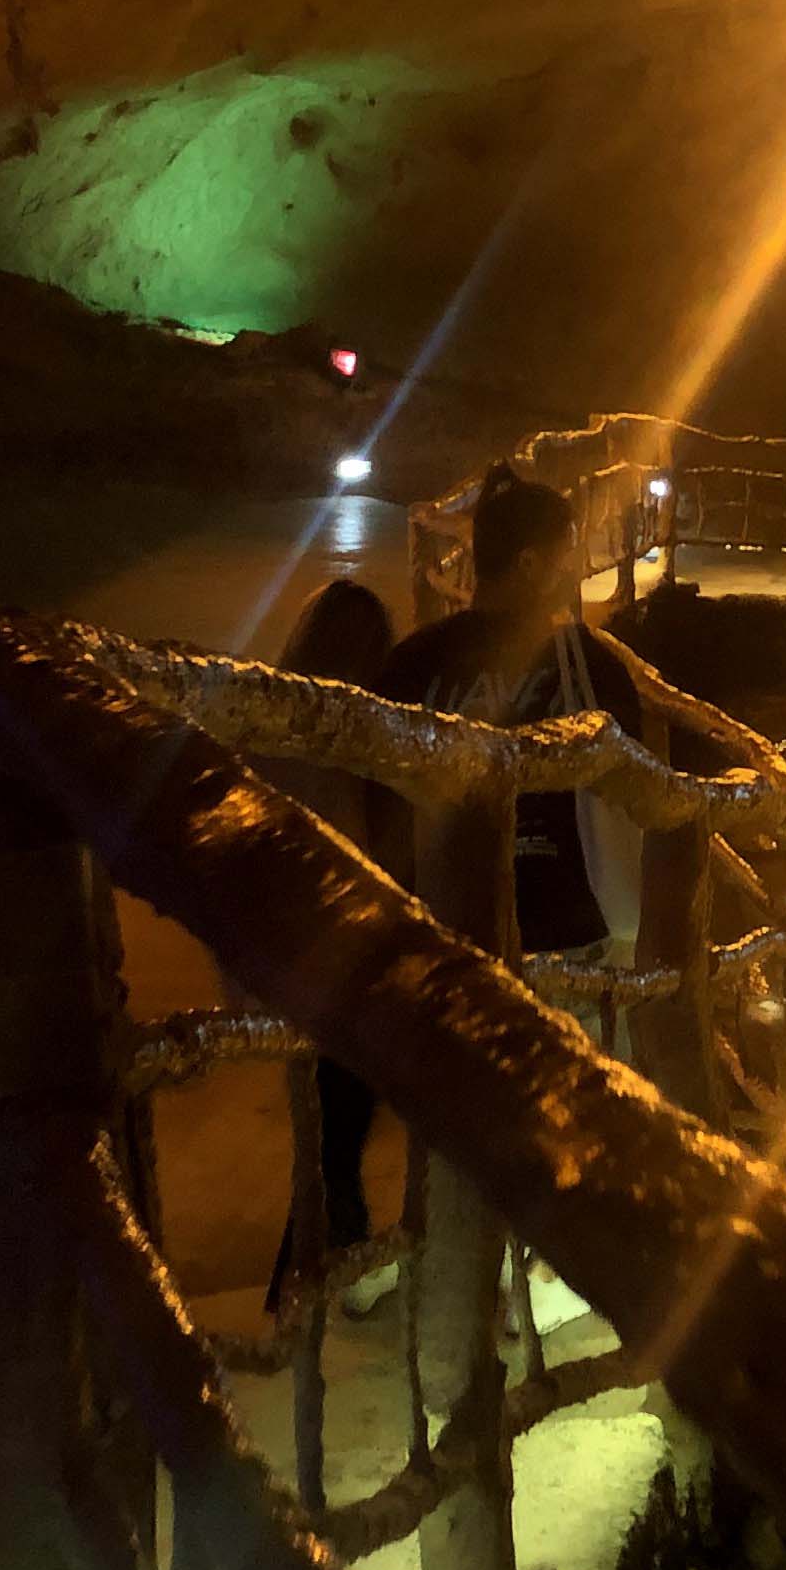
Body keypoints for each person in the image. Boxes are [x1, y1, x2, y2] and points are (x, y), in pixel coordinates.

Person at [381, 472, 649, 974]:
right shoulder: (591, 666)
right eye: (564, 557)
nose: (572, 572)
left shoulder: (413, 663)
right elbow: (637, 788)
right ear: (530, 564)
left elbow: (378, 802)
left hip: (445, 935)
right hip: (569, 935)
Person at [257, 580, 399, 1311]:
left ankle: (319, 1276)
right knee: (338, 1126)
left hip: (285, 962)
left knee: (329, 1125)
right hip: (339, 962)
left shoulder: (272, 719)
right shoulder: (350, 730)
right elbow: (361, 847)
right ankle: (308, 1286)